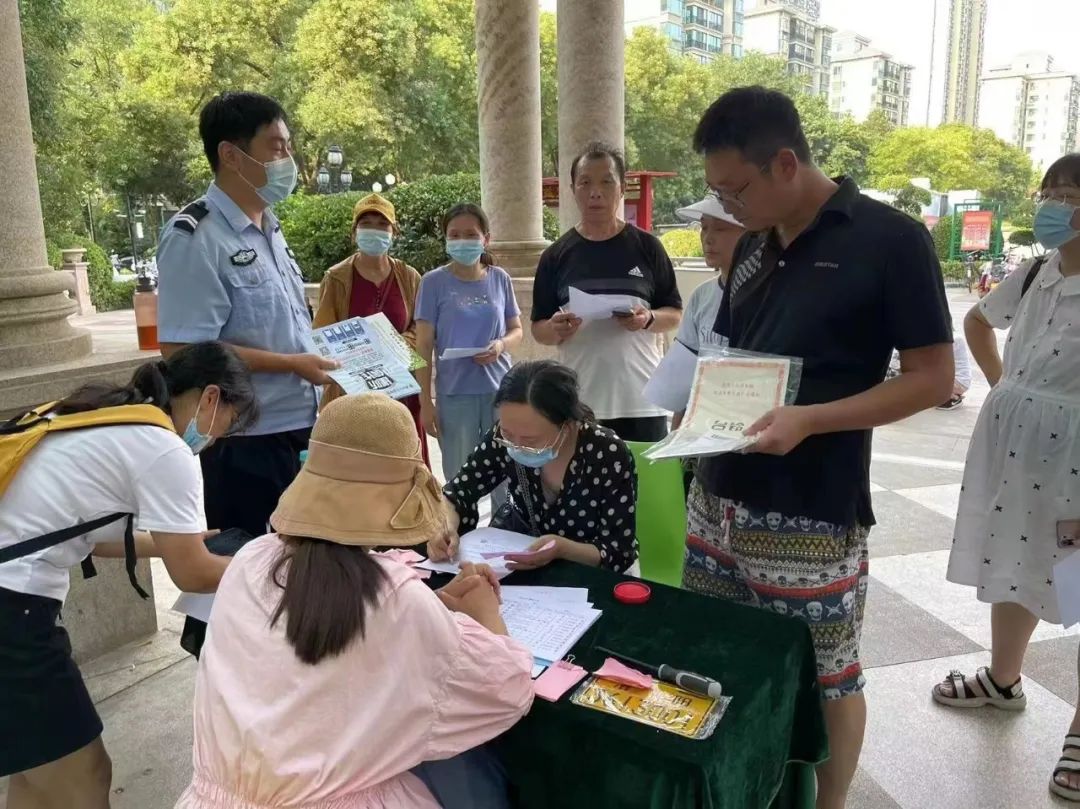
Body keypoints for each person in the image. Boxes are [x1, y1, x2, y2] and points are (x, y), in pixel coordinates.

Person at [683, 87, 954, 809]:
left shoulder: (890, 240)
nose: (726, 207)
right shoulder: (752, 246)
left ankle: (828, 803)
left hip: (811, 507)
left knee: (827, 672)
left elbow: (933, 378)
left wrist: (811, 419)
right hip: (716, 498)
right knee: (724, 651)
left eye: (735, 190)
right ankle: (743, 786)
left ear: (785, 163)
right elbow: (734, 355)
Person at [176, 393, 533, 809]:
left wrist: (435, 605)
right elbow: (507, 691)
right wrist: (486, 614)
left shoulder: (252, 559)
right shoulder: (394, 596)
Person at [0, 343, 257, 809]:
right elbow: (193, 574)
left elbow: (88, 537)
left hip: (13, 600)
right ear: (211, 397)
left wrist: (175, 542)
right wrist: (266, 564)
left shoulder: (99, 414)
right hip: (12, 612)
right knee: (85, 774)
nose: (219, 437)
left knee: (38, 771)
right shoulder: (164, 448)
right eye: (230, 422)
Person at [931, 154, 1080, 803]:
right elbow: (976, 321)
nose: (1053, 206)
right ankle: (1002, 678)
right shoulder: (1039, 271)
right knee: (1018, 561)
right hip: (1019, 449)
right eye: (1049, 192)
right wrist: (1004, 385)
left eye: (1068, 195)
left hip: (1076, 456)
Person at [157, 91, 336, 540]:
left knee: (301, 566)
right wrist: (291, 364)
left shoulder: (270, 227)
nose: (288, 159)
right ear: (231, 155)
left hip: (300, 428)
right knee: (250, 567)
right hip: (245, 442)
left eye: (288, 146)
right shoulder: (195, 236)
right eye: (276, 147)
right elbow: (182, 349)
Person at [531, 142, 683, 443]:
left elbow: (674, 313)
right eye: (585, 183)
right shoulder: (555, 256)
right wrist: (556, 328)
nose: (595, 192)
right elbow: (538, 329)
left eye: (606, 182)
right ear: (573, 190)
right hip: (580, 402)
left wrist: (648, 319)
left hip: (642, 400)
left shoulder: (648, 247)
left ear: (622, 187)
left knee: (644, 475)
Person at [428, 360, 638, 574]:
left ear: (566, 427)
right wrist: (447, 527)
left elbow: (618, 551)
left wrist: (561, 549)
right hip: (519, 563)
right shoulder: (504, 436)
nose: (516, 446)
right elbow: (458, 493)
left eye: (530, 440)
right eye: (508, 434)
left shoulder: (607, 453)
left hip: (588, 571)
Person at [313, 193, 429, 467]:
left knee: (404, 464)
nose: (374, 230)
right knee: (360, 466)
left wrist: (393, 344)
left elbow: (422, 328)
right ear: (354, 233)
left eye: (382, 224)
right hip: (353, 392)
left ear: (394, 232)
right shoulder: (336, 278)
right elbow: (323, 334)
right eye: (366, 224)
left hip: (402, 390)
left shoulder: (410, 277)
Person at [415, 203, 523, 484]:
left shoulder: (500, 279)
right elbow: (423, 345)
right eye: (455, 234)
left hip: (500, 392)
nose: (462, 241)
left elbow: (517, 330)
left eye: (471, 234)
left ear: (486, 239)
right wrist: (425, 402)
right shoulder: (432, 283)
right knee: (460, 478)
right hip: (454, 395)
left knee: (505, 476)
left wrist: (500, 345)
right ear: (445, 239)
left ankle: (503, 515)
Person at [669, 194, 746, 429]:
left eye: (721, 229)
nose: (708, 238)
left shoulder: (768, 295)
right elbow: (685, 374)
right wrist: (675, 436)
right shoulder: (701, 296)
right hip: (702, 426)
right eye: (704, 227)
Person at [936, 338, 972, 410]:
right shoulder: (955, 338)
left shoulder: (950, 340)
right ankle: (951, 395)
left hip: (958, 381)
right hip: (963, 381)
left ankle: (952, 397)